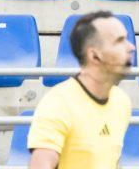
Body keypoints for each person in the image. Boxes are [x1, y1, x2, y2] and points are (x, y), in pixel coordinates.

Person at [26, 13, 133, 169]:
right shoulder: (59, 103)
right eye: (119, 41)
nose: (131, 47)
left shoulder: (121, 101)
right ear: (94, 56)